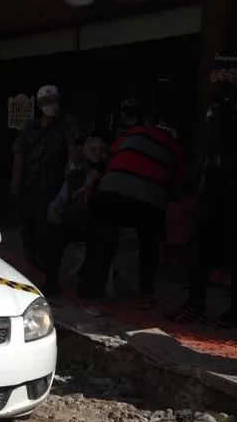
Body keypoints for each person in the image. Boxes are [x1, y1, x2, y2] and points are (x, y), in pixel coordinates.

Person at [168, 51, 237, 328]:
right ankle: (195, 304)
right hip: (215, 179)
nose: (215, 78)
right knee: (200, 242)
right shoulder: (223, 101)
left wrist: (223, 104)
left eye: (223, 73)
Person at [78, 114, 186, 306]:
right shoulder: (175, 148)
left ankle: (92, 291)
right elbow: (177, 184)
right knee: (149, 243)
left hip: (111, 191)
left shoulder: (134, 132)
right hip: (147, 201)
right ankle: (145, 292)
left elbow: (109, 155)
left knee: (102, 240)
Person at [11, 85, 78, 274]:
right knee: (27, 227)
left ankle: (45, 269)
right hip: (28, 184)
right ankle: (32, 262)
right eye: (46, 102)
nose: (51, 106)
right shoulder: (30, 127)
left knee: (45, 229)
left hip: (51, 186)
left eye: (54, 101)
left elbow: (75, 156)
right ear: (39, 105)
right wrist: (15, 182)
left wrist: (68, 129)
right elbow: (19, 154)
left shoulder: (64, 126)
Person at [42, 135, 108, 296]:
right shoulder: (75, 176)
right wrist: (53, 211)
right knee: (54, 232)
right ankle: (50, 281)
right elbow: (59, 201)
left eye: (101, 150)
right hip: (76, 221)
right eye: (93, 149)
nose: (97, 153)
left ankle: (88, 285)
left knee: (100, 236)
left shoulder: (110, 173)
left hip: (100, 222)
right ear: (85, 152)